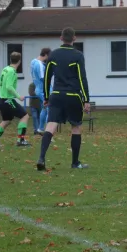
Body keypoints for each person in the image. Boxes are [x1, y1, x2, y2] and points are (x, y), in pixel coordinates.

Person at [37, 27, 90, 171]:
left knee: (51, 126)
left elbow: (47, 78)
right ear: (74, 38)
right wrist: (86, 99)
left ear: (61, 38)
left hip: (57, 95)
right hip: (73, 96)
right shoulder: (78, 55)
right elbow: (82, 78)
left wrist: (46, 97)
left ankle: (41, 158)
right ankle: (75, 163)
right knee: (76, 127)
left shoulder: (53, 55)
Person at [0, 53, 30, 147]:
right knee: (25, 116)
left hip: (1, 100)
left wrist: (2, 94)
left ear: (10, 60)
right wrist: (18, 96)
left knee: (6, 120)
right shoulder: (12, 71)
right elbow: (9, 86)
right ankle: (21, 140)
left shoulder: (5, 69)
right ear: (19, 61)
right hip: (8, 100)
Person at [30, 48, 51, 135]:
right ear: (45, 55)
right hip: (44, 89)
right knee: (50, 109)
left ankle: (41, 128)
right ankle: (48, 131)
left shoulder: (33, 61)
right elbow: (43, 78)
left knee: (45, 108)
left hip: (38, 88)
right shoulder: (40, 65)